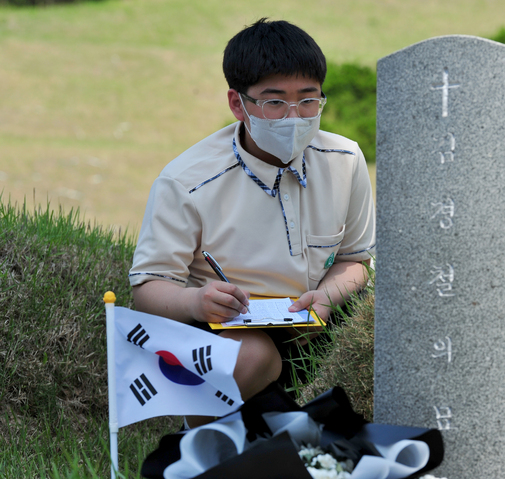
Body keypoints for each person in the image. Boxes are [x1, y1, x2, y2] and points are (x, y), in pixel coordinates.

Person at [128, 18, 375, 426]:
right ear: (237, 103)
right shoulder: (187, 181)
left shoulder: (345, 160)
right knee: (256, 354)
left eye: (309, 100)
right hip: (224, 333)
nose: (294, 117)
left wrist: (328, 298)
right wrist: (196, 301)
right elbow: (148, 287)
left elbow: (355, 260)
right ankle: (203, 439)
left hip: (314, 323)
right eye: (274, 102)